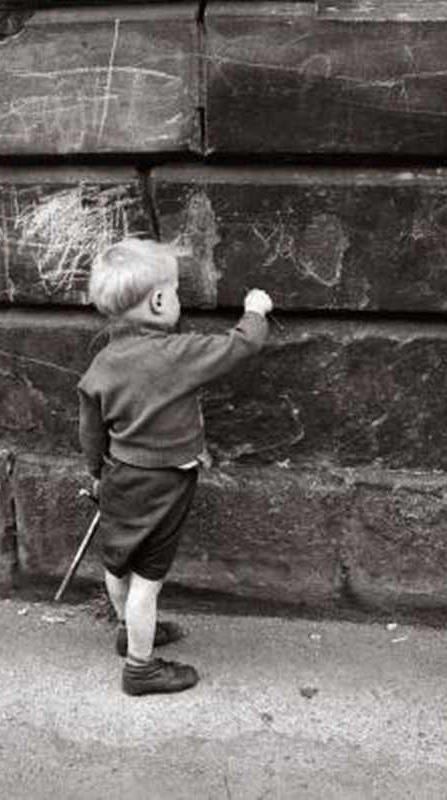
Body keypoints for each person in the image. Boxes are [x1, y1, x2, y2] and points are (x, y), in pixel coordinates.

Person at [77, 238, 273, 696]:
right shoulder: (176, 354)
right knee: (148, 579)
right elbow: (239, 347)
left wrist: (95, 472)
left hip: (118, 476)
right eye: (175, 291)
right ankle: (141, 669)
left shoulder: (102, 363)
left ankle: (129, 632)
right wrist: (256, 310)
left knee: (118, 562)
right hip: (164, 481)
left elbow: (90, 430)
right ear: (160, 301)